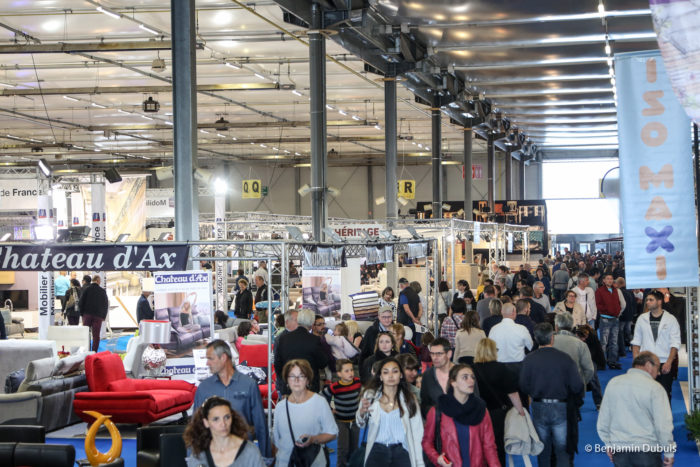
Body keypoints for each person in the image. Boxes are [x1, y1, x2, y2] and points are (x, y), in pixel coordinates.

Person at [519, 323, 584, 467]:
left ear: (536, 338)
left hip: (538, 406)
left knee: (543, 449)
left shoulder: (529, 359)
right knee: (562, 449)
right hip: (561, 406)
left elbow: (523, 385)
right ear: (552, 338)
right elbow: (577, 385)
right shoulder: (565, 359)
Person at [597, 352, 676, 467]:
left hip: (620, 450)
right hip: (647, 451)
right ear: (649, 365)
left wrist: (608, 444)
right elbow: (663, 426)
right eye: (657, 368)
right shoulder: (655, 388)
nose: (658, 373)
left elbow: (603, 420)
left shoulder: (613, 383)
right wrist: (669, 452)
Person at [194, 340, 270, 457]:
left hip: (243, 455)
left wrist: (265, 458)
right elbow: (195, 427)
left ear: (223, 358)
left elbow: (260, 425)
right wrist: (191, 459)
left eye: (210, 359)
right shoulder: (204, 388)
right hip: (213, 456)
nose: (207, 363)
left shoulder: (249, 385)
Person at [422, 364, 500, 467]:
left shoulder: (481, 410)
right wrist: (437, 458)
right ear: (453, 382)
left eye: (472, 377)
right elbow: (427, 442)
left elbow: (489, 447)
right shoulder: (438, 411)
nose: (471, 381)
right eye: (465, 377)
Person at [356, 357, 424, 467]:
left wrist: (419, 463)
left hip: (402, 452)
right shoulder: (370, 396)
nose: (391, 376)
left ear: (401, 375)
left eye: (395, 371)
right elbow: (360, 423)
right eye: (386, 372)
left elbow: (418, 433)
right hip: (376, 451)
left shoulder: (410, 399)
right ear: (381, 376)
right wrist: (362, 412)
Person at [273, 359, 338, 467]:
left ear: (308, 380)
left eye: (301, 376)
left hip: (312, 461)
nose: (296, 380)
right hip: (285, 462)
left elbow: (332, 433)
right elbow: (276, 440)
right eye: (292, 376)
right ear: (287, 380)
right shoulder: (280, 407)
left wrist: (314, 439)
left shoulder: (319, 402)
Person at [472, 338, 525, 466]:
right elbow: (512, 393)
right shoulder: (502, 368)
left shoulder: (471, 369)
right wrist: (521, 411)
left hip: (477, 413)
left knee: (479, 445)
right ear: (493, 351)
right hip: (497, 413)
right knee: (497, 446)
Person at [183, 396, 266, 467]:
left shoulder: (250, 452)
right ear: (206, 422)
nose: (223, 424)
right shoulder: (199, 456)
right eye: (216, 419)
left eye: (227, 417)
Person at [631, 290, 681, 401]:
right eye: (647, 300)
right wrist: (636, 363)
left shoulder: (671, 320)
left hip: (664, 364)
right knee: (645, 395)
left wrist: (669, 362)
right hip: (645, 363)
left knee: (664, 394)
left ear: (659, 302)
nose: (647, 302)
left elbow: (675, 344)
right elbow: (636, 343)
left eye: (650, 300)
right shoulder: (641, 319)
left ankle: (665, 418)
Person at [274, 309, 329, 393]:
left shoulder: (283, 338)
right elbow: (323, 363)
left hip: (289, 385)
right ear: (311, 324)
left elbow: (278, 363)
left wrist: (285, 381)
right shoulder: (314, 340)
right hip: (309, 385)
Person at [321, 359, 362, 467]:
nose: (351, 373)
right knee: (343, 448)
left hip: (355, 421)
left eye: (352, 370)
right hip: (341, 422)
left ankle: (353, 464)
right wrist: (329, 409)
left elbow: (364, 393)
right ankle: (341, 465)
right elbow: (321, 396)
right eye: (347, 371)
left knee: (354, 447)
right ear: (339, 374)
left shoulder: (358, 382)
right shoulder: (335, 387)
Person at [553, 312, 594, 386]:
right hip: (574, 387)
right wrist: (581, 383)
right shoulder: (581, 344)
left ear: (556, 327)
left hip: (553, 387)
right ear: (572, 326)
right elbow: (590, 370)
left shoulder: (547, 343)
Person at [595, 273, 626, 370]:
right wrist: (607, 311)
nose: (610, 280)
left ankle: (612, 362)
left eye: (611, 279)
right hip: (605, 319)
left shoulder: (616, 290)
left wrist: (617, 312)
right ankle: (601, 362)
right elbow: (598, 305)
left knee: (614, 342)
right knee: (604, 342)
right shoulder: (599, 291)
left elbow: (621, 303)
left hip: (615, 319)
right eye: (608, 279)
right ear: (603, 280)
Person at [420, 337, 455, 417]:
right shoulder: (427, 376)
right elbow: (424, 404)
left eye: (439, 354)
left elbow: (474, 400)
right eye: (432, 354)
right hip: (437, 425)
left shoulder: (463, 373)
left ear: (449, 354)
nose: (434, 357)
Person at [78, 274, 109, 352]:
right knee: (96, 336)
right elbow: (105, 304)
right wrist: (103, 316)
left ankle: (86, 351)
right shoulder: (102, 291)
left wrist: (82, 313)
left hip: (87, 315)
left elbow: (81, 302)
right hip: (98, 316)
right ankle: (94, 352)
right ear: (98, 281)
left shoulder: (87, 290)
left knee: (85, 334)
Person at [398, 278, 422, 343]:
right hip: (414, 324)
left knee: (404, 342)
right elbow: (420, 308)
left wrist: (413, 318)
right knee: (414, 341)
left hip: (404, 323)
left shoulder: (403, 294)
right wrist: (417, 318)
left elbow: (406, 309)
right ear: (408, 284)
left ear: (401, 286)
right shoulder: (416, 295)